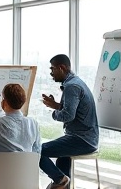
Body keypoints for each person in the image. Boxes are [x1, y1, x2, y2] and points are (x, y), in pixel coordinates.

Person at [39, 54, 99, 189]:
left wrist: (54, 114)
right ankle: (62, 182)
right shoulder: (76, 82)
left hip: (82, 140)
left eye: (52, 69)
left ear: (61, 68)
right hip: (86, 138)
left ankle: (60, 179)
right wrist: (55, 105)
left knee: (37, 150)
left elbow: (68, 115)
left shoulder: (72, 86)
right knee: (62, 158)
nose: (51, 73)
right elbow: (72, 110)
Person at [0, 83, 41, 153]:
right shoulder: (34, 123)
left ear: (5, 102)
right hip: (26, 164)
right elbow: (37, 151)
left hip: (1, 163)